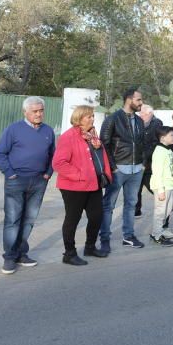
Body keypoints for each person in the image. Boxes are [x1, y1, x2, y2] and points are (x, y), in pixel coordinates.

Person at [0, 96, 56, 274]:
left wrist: (48, 173)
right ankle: (10, 257)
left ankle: (21, 253)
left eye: (41, 110)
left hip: (38, 181)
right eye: (35, 111)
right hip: (16, 180)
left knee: (29, 220)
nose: (38, 114)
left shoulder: (47, 131)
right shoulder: (13, 129)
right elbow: (0, 154)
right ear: (25, 112)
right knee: (13, 220)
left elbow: (53, 155)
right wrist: (11, 174)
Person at [52, 105, 111, 266]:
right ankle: (69, 253)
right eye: (88, 116)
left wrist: (106, 173)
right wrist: (79, 175)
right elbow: (59, 163)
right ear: (79, 119)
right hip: (73, 186)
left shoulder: (93, 136)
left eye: (92, 116)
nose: (92, 119)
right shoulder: (68, 137)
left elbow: (100, 156)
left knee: (96, 216)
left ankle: (90, 247)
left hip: (94, 184)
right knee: (72, 219)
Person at [99, 87, 146, 251]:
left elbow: (143, 144)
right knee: (108, 205)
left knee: (131, 204)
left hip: (136, 170)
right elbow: (103, 145)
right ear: (129, 100)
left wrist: (143, 163)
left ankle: (128, 236)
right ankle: (104, 238)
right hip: (118, 169)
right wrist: (113, 168)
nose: (141, 103)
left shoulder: (140, 121)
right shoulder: (112, 119)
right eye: (139, 100)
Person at [148, 126, 173, 246]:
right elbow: (157, 172)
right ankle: (157, 235)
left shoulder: (168, 150)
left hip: (169, 185)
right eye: (171, 135)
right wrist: (160, 190)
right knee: (160, 212)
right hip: (162, 187)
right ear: (163, 138)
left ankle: (158, 230)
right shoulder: (159, 152)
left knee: (167, 211)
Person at [135, 104, 165, 218]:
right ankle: (136, 211)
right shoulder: (140, 123)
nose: (140, 115)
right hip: (139, 161)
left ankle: (163, 205)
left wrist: (144, 156)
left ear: (149, 113)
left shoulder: (157, 124)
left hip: (149, 162)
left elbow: (154, 143)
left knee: (153, 186)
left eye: (142, 113)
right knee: (136, 188)